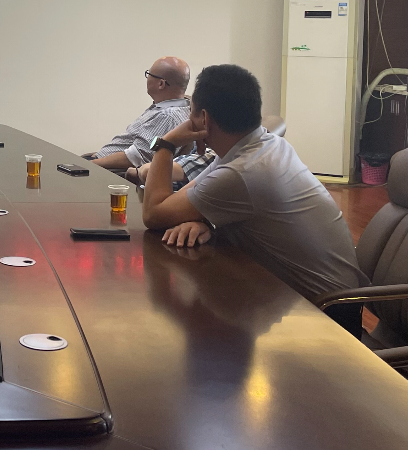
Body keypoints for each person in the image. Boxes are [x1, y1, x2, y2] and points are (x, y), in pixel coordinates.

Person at [141, 64, 368, 333]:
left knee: (205, 333)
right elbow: (181, 200)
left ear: (204, 118)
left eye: (191, 111)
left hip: (326, 321)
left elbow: (154, 213)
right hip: (309, 302)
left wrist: (166, 144)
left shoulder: (243, 172)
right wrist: (207, 220)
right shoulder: (261, 146)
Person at [85, 57, 192, 170]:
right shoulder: (173, 107)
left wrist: (91, 164)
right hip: (101, 163)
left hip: (110, 172)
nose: (147, 78)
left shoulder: (167, 116)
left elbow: (136, 157)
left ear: (161, 84)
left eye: (149, 74)